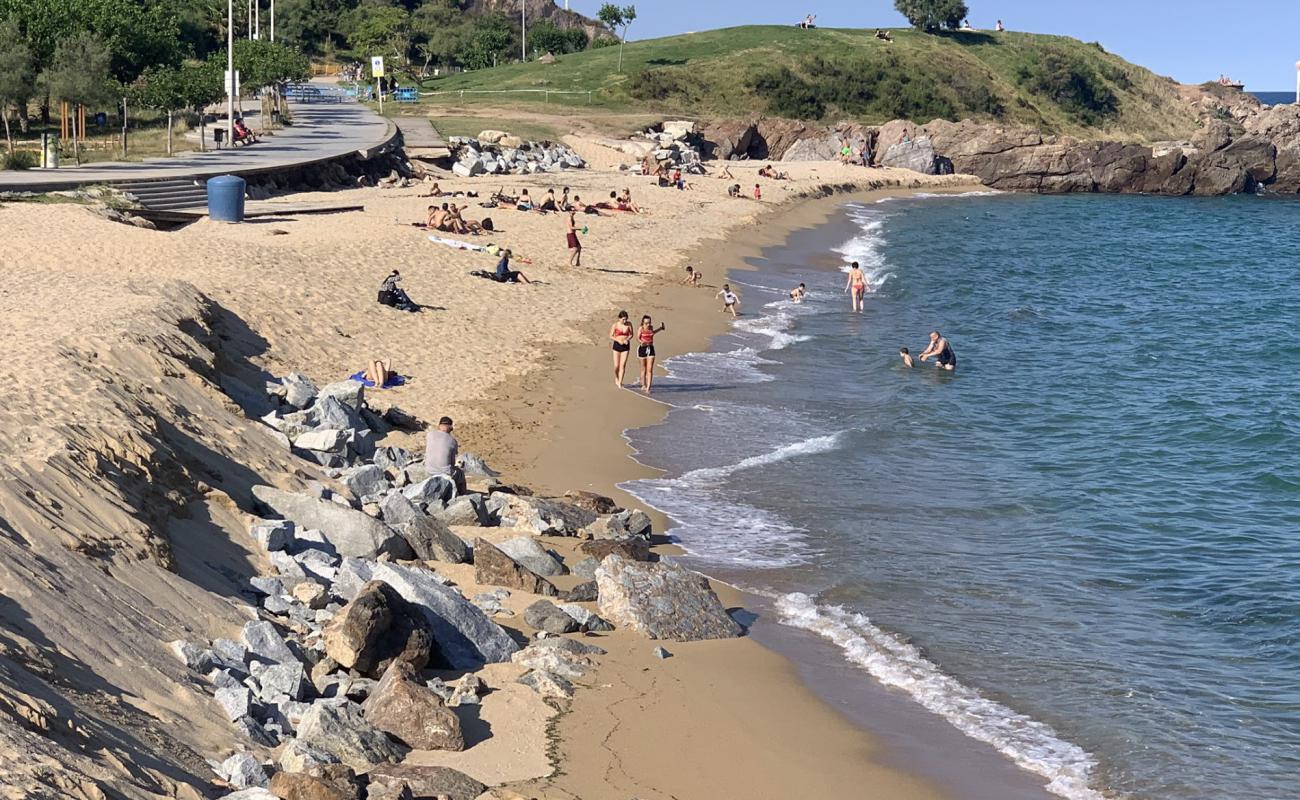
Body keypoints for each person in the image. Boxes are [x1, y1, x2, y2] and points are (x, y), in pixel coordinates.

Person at [425, 416, 466, 494]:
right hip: (444, 472)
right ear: (450, 427)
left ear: (439, 425)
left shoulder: (430, 435)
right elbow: (452, 463)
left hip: (429, 470)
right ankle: (462, 496)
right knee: (461, 474)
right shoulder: (453, 441)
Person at [637, 315, 666, 394]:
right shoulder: (641, 328)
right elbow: (637, 338)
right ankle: (643, 385)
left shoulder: (651, 327)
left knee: (649, 370)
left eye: (649, 323)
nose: (648, 324)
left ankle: (648, 388)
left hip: (650, 348)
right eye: (646, 323)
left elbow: (652, 333)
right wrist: (641, 342)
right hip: (642, 349)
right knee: (643, 369)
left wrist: (660, 328)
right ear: (643, 322)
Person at [609, 310, 633, 387]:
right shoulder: (615, 325)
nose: (624, 321)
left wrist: (627, 339)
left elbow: (631, 334)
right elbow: (611, 335)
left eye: (626, 319)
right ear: (619, 318)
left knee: (622, 365)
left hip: (626, 346)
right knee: (616, 366)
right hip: (617, 345)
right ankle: (616, 377)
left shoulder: (629, 324)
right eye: (623, 319)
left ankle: (620, 382)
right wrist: (618, 340)